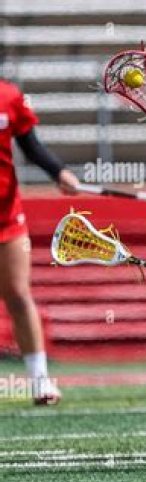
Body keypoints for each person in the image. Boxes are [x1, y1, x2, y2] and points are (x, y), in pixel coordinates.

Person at [0, 79, 79, 405]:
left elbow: (31, 146)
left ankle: (40, 382)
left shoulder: (9, 96)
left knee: (19, 295)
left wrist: (59, 172)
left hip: (7, 216)